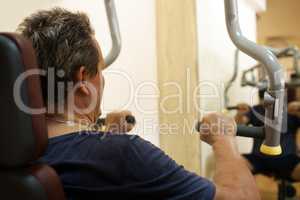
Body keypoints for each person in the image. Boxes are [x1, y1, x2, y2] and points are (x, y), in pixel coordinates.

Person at [18, 8, 260, 200]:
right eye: (100, 71)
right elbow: (242, 197)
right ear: (82, 79)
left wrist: (101, 134)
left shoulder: (15, 149)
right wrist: (224, 138)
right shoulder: (123, 153)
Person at [235, 89, 300, 181]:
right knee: (234, 164)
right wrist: (240, 114)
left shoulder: (291, 111)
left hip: (287, 159)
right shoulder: (256, 110)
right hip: (259, 159)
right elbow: (239, 124)